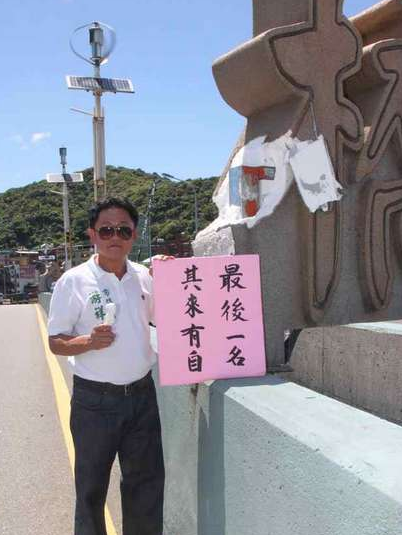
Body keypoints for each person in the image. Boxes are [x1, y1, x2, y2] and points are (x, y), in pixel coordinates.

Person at [47, 197, 164, 535]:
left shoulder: (144, 277)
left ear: (134, 234)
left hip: (142, 396)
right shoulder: (73, 281)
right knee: (91, 489)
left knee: (146, 487)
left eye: (124, 230)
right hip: (94, 402)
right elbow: (55, 341)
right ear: (92, 234)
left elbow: (170, 318)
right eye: (107, 230)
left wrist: (171, 276)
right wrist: (88, 341)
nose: (116, 237)